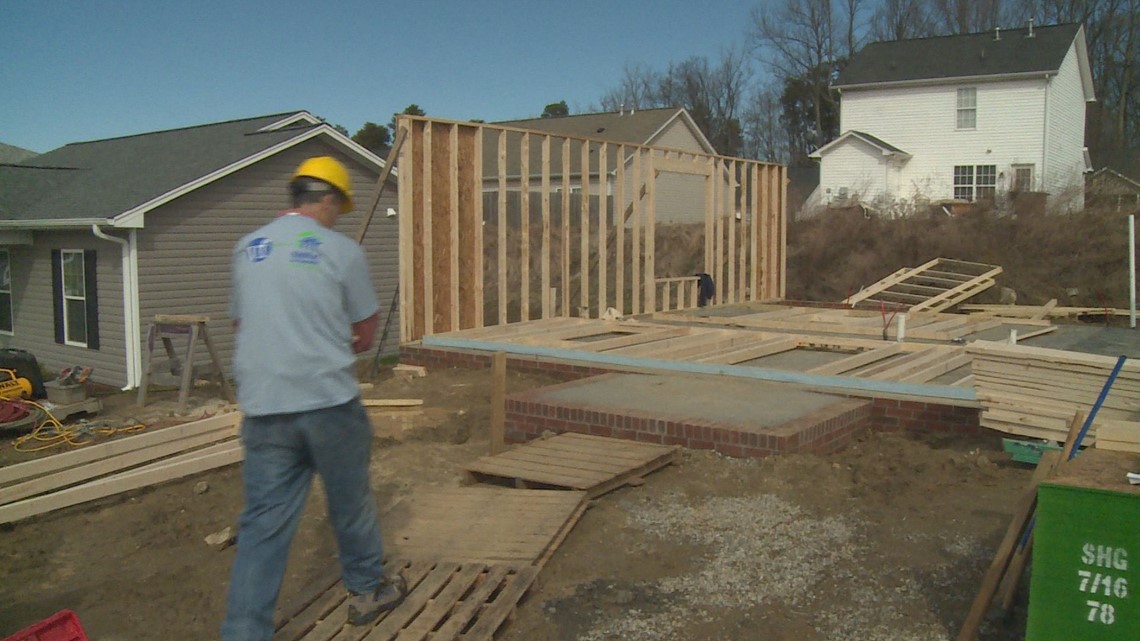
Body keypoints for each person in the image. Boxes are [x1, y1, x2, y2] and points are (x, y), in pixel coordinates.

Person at [221, 156, 405, 640]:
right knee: (350, 503)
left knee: (262, 526)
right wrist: (332, 338)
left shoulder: (246, 248)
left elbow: (243, 325)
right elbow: (365, 335)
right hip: (328, 404)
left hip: (264, 410)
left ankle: (243, 633)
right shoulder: (341, 251)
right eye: (337, 208)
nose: (336, 216)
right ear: (327, 201)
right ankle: (367, 592)